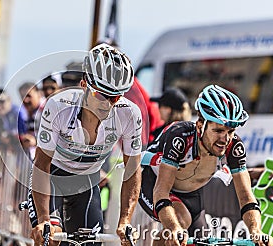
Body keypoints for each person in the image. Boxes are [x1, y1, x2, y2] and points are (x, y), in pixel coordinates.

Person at [29, 43, 143, 246]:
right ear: (84, 85)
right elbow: (41, 165)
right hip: (52, 176)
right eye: (100, 95)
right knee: (51, 236)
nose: (107, 103)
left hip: (85, 182)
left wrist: (125, 220)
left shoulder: (129, 114)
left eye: (115, 97)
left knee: (91, 243)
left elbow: (132, 170)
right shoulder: (58, 106)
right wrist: (44, 219)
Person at [138, 84, 272, 245]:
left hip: (190, 192)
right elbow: (161, 192)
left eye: (230, 132)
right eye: (218, 131)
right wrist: (173, 228)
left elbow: (246, 197)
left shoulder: (234, 146)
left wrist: (256, 231)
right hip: (153, 183)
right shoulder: (180, 137)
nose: (225, 139)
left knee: (200, 237)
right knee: (178, 226)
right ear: (200, 126)